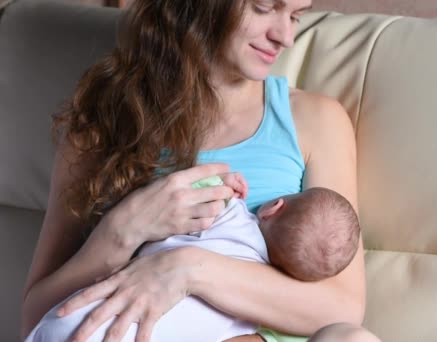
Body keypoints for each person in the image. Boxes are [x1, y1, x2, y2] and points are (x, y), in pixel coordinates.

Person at [20, 0, 380, 341]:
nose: (284, 36)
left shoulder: (313, 120)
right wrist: (122, 231)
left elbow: (342, 307)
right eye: (264, 7)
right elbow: (34, 319)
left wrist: (188, 269)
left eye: (296, 15)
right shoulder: (102, 126)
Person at [25, 174, 362, 341]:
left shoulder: (229, 214)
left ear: (275, 206)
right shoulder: (249, 309)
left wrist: (221, 184)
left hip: (72, 319)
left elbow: (191, 193)